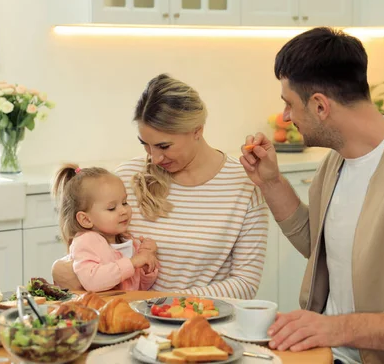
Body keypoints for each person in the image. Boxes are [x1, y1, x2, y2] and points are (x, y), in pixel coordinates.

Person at [240, 27, 384, 364]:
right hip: (328, 353)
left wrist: (336, 329)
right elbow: (320, 245)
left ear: (321, 106)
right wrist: (271, 182)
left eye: (290, 104)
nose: (286, 117)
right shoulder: (336, 161)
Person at [54, 74, 269, 299]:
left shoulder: (244, 185)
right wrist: (61, 269)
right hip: (131, 321)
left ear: (197, 129)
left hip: (201, 321)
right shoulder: (124, 179)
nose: (154, 158)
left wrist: (164, 303)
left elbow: (245, 284)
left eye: (163, 146)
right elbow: (88, 253)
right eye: (145, 145)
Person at [51, 164, 159, 292]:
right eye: (111, 208)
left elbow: (137, 288)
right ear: (86, 219)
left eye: (124, 202)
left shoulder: (128, 241)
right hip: (96, 311)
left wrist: (146, 266)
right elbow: (92, 282)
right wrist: (133, 263)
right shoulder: (86, 242)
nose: (124, 210)